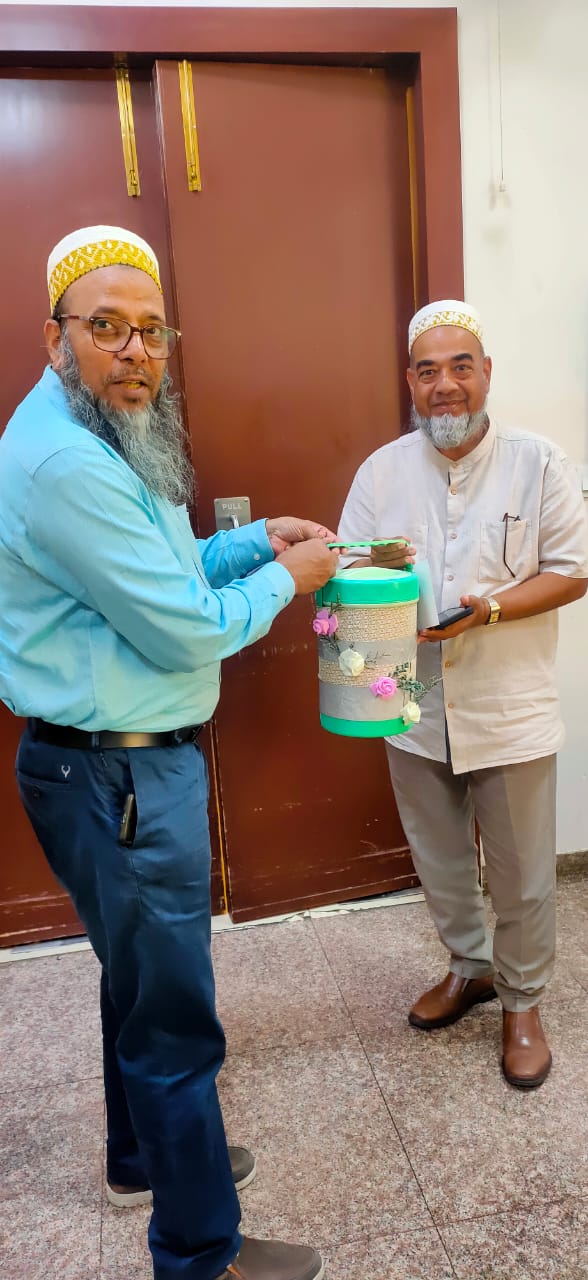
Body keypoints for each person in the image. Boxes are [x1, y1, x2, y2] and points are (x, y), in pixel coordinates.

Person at [0, 225, 339, 1280]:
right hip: (120, 775)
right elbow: (186, 629)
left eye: (151, 330)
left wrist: (248, 543)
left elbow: (164, 567)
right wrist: (289, 581)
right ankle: (202, 1254)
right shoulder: (66, 459)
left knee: (137, 985)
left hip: (106, 767)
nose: (135, 350)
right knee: (176, 1024)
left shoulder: (102, 427)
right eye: (106, 326)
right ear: (54, 336)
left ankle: (142, 1157)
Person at [337, 299, 588, 1090]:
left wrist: (492, 609)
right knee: (440, 860)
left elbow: (572, 570)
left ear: (486, 373)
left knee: (522, 873)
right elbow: (351, 569)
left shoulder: (538, 462)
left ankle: (523, 1003)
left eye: (460, 366)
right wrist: (367, 582)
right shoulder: (381, 471)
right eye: (427, 370)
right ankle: (469, 969)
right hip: (412, 703)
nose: (444, 384)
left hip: (508, 705)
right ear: (410, 381)